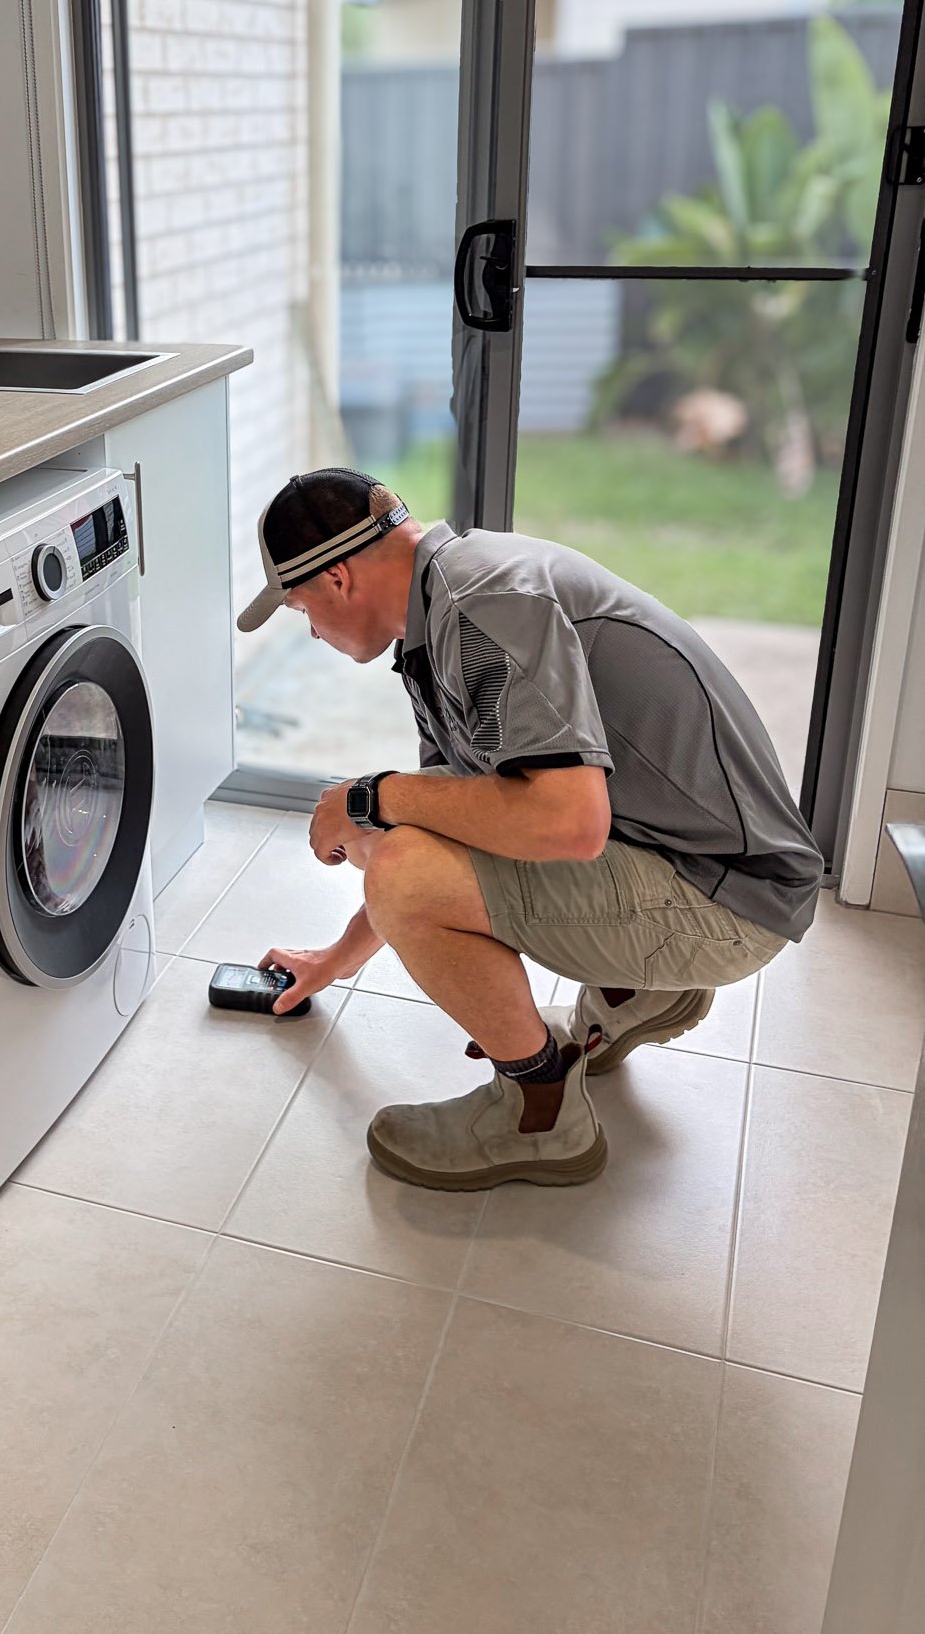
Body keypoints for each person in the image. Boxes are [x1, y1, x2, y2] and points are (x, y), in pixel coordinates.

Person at [239, 468, 822, 1191]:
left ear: (336, 581)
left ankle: (538, 1111)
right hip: (706, 858)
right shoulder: (448, 604)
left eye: (300, 611)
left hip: (730, 901)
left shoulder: (484, 605)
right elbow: (444, 826)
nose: (314, 630)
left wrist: (369, 796)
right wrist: (337, 958)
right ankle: (632, 992)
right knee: (400, 834)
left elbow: (569, 824)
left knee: (396, 852)